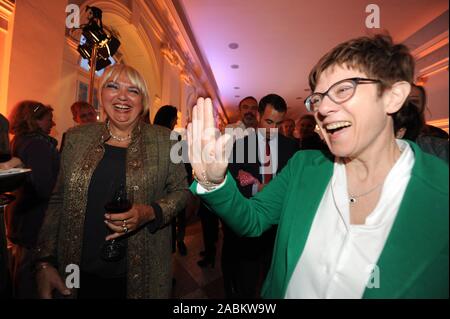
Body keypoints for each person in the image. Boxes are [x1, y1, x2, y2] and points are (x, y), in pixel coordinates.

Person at [187, 34, 448, 298]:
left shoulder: (441, 195)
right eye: (318, 98)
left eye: (343, 89)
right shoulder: (304, 166)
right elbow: (252, 220)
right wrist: (214, 182)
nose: (323, 108)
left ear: (393, 96)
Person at [33, 64, 188, 299]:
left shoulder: (166, 140)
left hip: (141, 274)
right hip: (77, 270)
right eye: (112, 86)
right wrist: (44, 261)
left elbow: (182, 191)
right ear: (101, 94)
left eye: (133, 91)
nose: (122, 96)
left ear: (143, 100)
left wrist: (150, 212)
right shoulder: (76, 138)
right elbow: (58, 199)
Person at [224, 94, 298, 298]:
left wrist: (265, 187)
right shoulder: (239, 146)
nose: (273, 129)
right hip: (250, 222)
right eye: (269, 121)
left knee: (274, 280)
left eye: (279, 123)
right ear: (258, 116)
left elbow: (293, 186)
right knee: (246, 281)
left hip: (278, 226)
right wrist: (257, 188)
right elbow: (234, 186)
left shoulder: (291, 147)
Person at [5, 101, 60, 298]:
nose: (52, 124)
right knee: (32, 276)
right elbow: (46, 186)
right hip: (36, 218)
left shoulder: (20, 141)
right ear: (35, 120)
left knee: (23, 271)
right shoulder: (38, 145)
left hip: (22, 215)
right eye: (49, 120)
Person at [153, 105, 188, 256]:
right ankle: (174, 244)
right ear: (170, 118)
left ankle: (177, 242)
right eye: (175, 118)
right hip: (165, 186)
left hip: (169, 185)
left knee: (176, 217)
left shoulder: (177, 138)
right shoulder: (166, 138)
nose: (176, 121)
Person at [394, 85, 448, 162]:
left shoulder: (438, 146)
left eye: (413, 101)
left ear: (422, 107)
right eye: (401, 100)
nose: (406, 105)